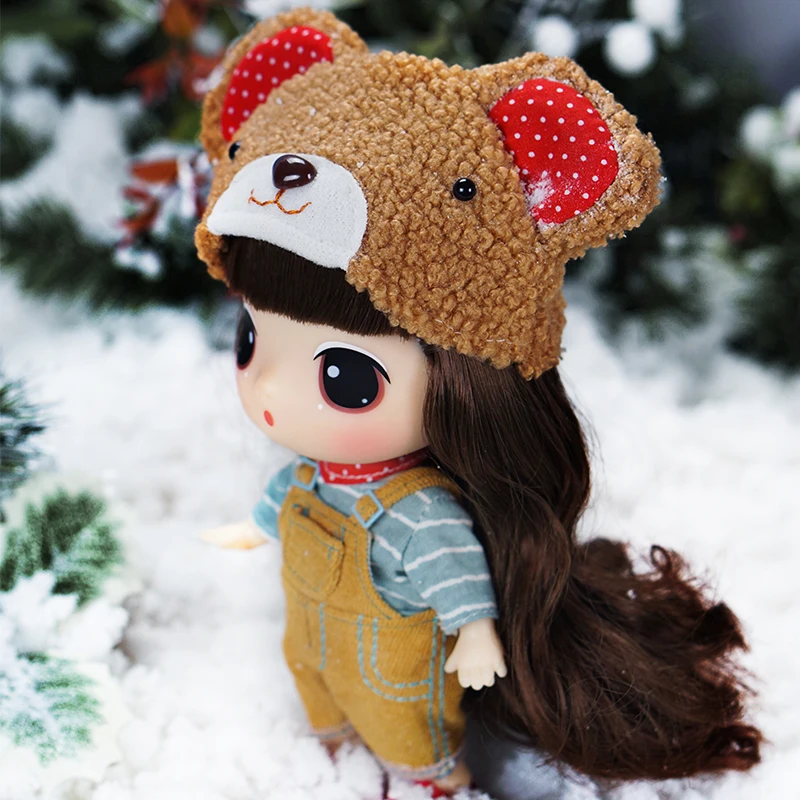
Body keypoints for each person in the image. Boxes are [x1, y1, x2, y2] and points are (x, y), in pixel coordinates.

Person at [197, 8, 761, 795]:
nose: (268, 391)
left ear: (467, 384)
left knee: (404, 721)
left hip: (393, 673)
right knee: (315, 675)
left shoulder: (419, 511)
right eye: (250, 339)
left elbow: (454, 570)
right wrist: (253, 528)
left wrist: (474, 631)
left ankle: (434, 777)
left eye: (345, 379)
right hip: (315, 650)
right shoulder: (314, 477)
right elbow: (285, 500)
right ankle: (328, 736)